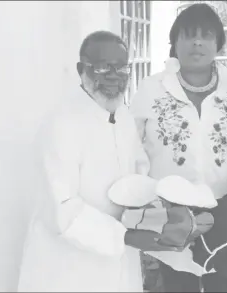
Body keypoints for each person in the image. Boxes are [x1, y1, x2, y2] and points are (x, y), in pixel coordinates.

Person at [17, 31, 172, 292]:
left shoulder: (122, 115)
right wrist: (128, 236)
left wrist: (160, 209)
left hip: (120, 262)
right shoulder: (62, 124)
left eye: (121, 68)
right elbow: (62, 210)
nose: (113, 76)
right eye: (102, 67)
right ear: (81, 69)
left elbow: (138, 171)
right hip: (69, 266)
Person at [130, 3, 227, 292]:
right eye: (188, 35)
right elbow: (133, 150)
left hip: (226, 213)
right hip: (170, 216)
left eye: (205, 35)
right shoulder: (151, 89)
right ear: (174, 44)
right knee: (176, 286)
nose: (197, 42)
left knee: (226, 285)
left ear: (218, 43)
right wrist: (143, 205)